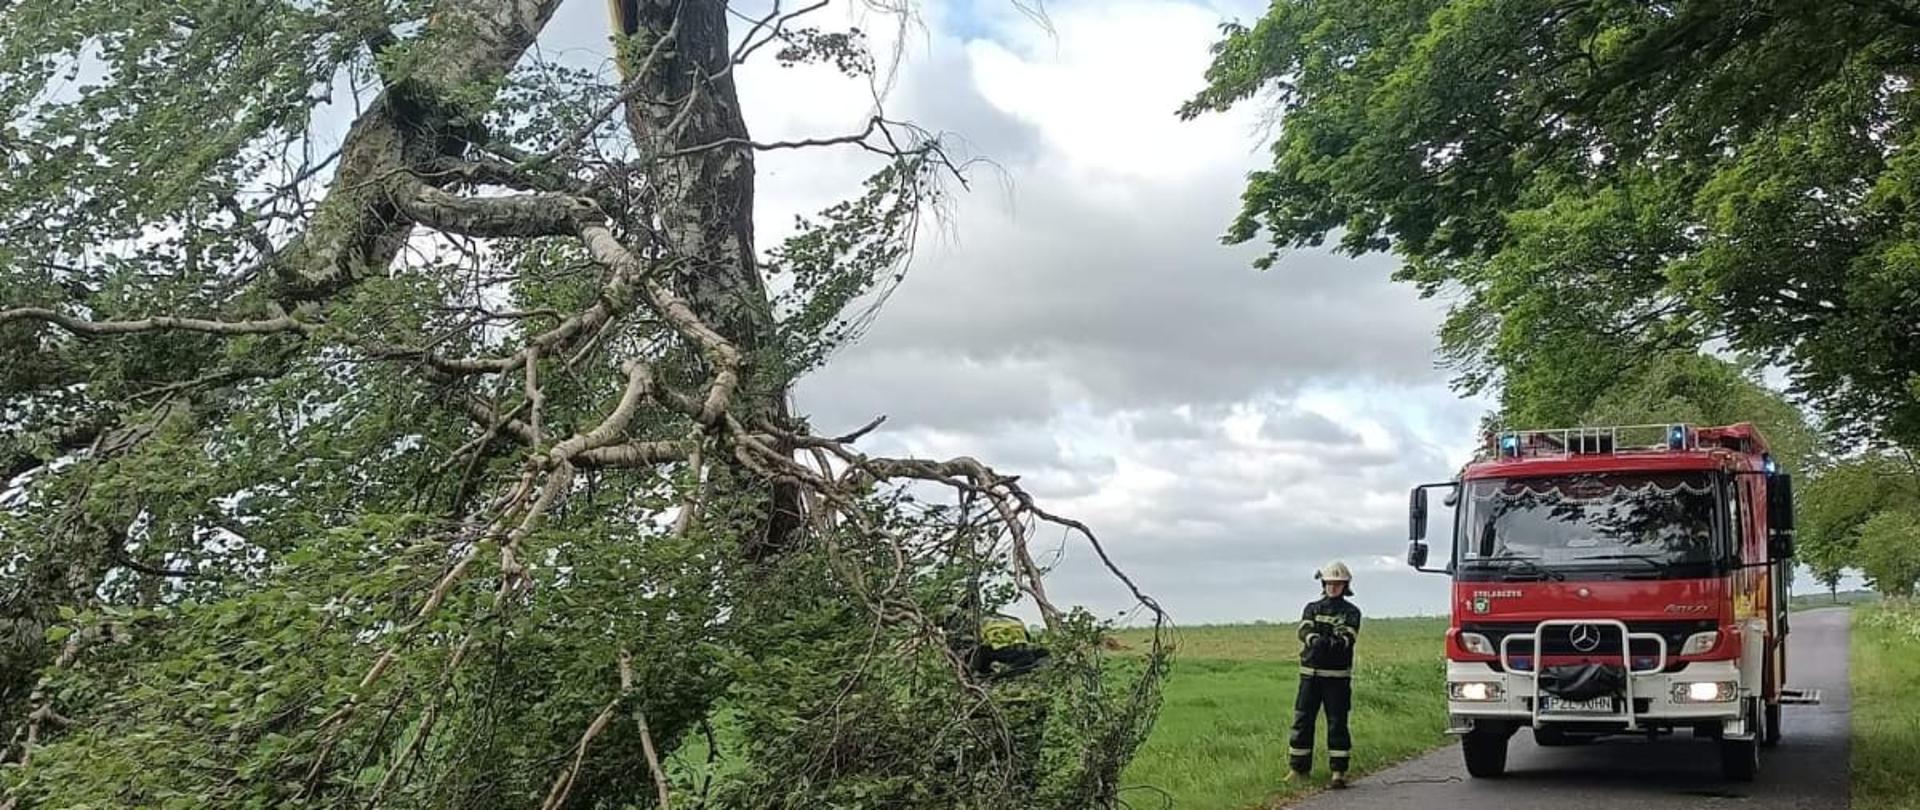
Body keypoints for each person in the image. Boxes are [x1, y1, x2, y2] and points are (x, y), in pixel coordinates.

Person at [1287, 560, 1362, 788]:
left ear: (1345, 585)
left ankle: (1338, 773)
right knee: (1302, 721)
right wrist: (1314, 640)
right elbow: (1304, 629)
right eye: (1329, 583)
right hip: (1310, 675)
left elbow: (1346, 639)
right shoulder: (1312, 607)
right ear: (1323, 583)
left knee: (1337, 723)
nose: (1333, 588)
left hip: (1337, 678)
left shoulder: (1351, 612)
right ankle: (1298, 770)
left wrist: (1329, 643)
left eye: (1337, 584)